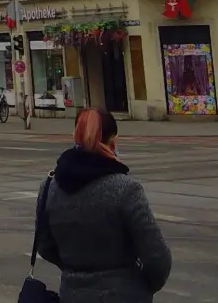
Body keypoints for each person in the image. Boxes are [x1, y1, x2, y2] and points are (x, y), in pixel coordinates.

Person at [36, 108, 171, 303]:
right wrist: (140, 286)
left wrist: (75, 270)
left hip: (72, 295)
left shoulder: (49, 187)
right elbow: (158, 257)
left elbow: (44, 246)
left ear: (76, 137)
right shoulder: (126, 188)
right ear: (112, 142)